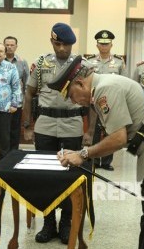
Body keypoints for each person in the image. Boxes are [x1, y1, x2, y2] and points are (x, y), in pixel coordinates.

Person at [47, 55, 144, 249]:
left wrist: (82, 154)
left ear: (81, 83)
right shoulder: (104, 85)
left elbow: (118, 139)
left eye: (71, 95)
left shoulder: (104, 90)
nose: (74, 101)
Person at [21, 22, 85, 244]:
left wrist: (89, 132)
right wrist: (27, 125)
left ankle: (66, 222)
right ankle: (48, 223)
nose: (62, 49)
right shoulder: (41, 63)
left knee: (69, 175)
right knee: (46, 174)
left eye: (66, 45)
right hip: (46, 123)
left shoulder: (81, 65)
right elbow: (29, 94)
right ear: (52, 42)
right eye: (58, 44)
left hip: (72, 124)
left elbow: (92, 97)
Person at [85, 29, 127, 171]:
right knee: (94, 131)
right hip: (93, 102)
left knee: (111, 132)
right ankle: (95, 160)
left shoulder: (119, 62)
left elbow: (124, 82)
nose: (104, 46)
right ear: (97, 45)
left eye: (106, 44)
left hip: (112, 102)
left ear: (111, 45)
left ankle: (107, 161)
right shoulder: (89, 61)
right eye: (101, 44)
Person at [4, 36, 29, 151]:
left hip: (16, 101)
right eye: (7, 45)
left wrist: (25, 101)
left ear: (16, 47)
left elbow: (26, 82)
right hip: (1, 101)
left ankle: (13, 152)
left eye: (12, 45)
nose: (9, 47)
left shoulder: (22, 62)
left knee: (15, 128)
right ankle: (3, 152)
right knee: (3, 129)